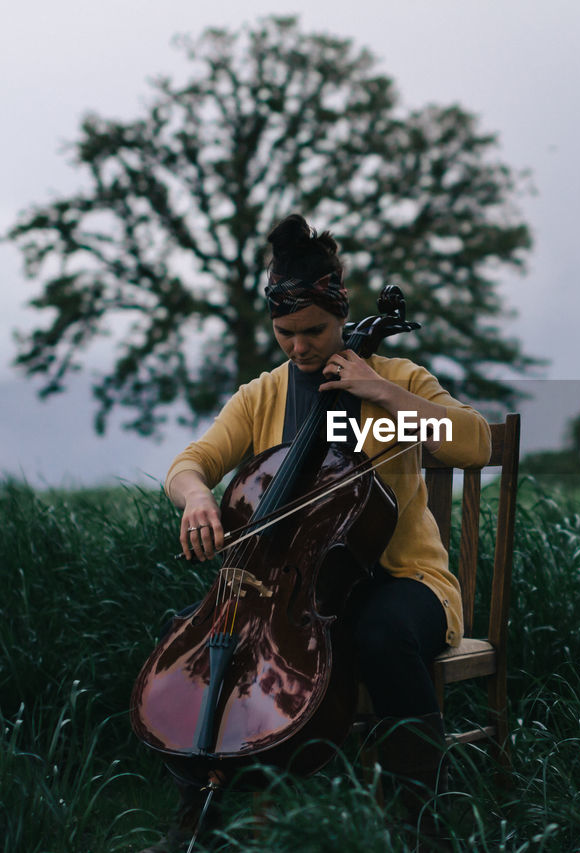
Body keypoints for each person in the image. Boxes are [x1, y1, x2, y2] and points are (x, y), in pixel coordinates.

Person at [138, 214, 490, 852]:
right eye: (285, 334)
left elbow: (473, 442)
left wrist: (377, 388)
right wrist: (195, 498)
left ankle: (420, 828)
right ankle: (199, 820)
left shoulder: (398, 379)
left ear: (342, 315)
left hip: (405, 583)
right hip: (294, 597)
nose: (300, 348)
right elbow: (191, 464)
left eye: (315, 332)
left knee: (378, 631)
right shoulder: (261, 397)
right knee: (188, 633)